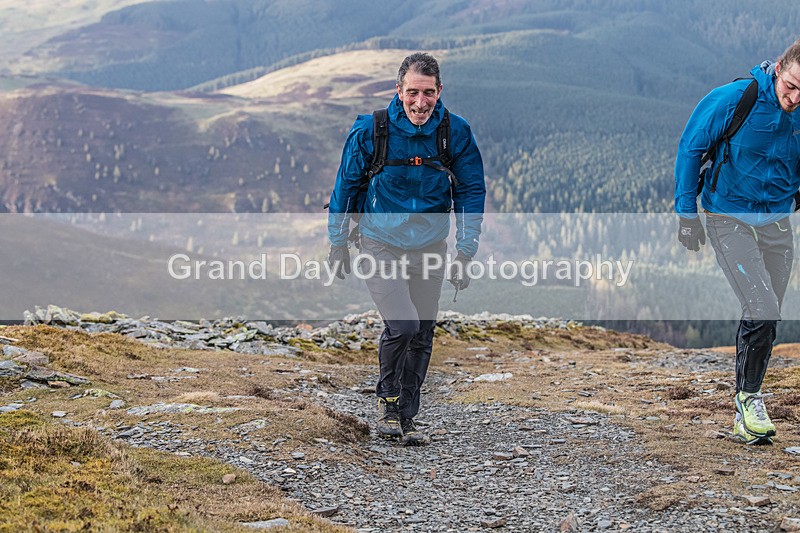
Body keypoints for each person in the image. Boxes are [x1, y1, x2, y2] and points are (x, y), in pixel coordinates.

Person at [326, 52, 486, 445]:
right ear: (398, 91)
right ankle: (387, 400)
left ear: (439, 91)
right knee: (403, 324)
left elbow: (470, 191)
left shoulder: (455, 132)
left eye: (427, 92)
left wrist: (465, 252)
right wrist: (338, 241)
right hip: (380, 242)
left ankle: (405, 417)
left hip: (430, 244)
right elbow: (345, 187)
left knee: (424, 331)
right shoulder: (372, 130)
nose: (420, 102)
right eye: (412, 92)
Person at [675, 39, 800, 444]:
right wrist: (686, 213)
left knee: (769, 312)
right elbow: (691, 147)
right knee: (762, 307)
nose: (795, 98)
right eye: (792, 86)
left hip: (777, 220)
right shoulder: (735, 98)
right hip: (728, 215)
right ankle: (749, 404)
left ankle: (748, 402)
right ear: (779, 68)